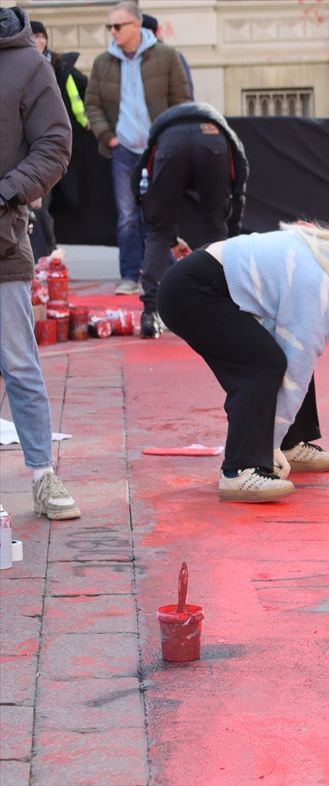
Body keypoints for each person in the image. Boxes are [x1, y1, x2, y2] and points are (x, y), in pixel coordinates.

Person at [156, 223, 329, 503]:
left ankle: (290, 443)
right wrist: (270, 447)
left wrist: (277, 443)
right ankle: (240, 471)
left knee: (288, 354)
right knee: (264, 365)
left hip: (198, 283)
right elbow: (295, 372)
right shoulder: (321, 291)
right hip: (191, 292)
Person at [0, 6, 79, 521]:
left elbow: (55, 144)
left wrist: (5, 192)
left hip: (0, 243)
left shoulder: (28, 63)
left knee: (19, 364)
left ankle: (42, 475)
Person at [84, 0, 191, 296]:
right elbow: (91, 105)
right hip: (123, 151)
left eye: (117, 26)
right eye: (110, 26)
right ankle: (130, 276)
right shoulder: (102, 61)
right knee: (128, 217)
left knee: (161, 214)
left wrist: (169, 140)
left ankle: (164, 277)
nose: (112, 31)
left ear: (135, 26)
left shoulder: (168, 56)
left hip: (159, 150)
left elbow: (182, 102)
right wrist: (109, 137)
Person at [132, 102, 249, 338]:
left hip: (169, 141)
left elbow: (138, 183)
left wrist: (162, 228)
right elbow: (240, 183)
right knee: (216, 230)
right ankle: (220, 307)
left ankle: (150, 314)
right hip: (213, 139)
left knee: (158, 231)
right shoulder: (220, 128)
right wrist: (231, 235)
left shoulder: (163, 129)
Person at [28, 19, 88, 260]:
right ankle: (44, 255)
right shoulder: (21, 65)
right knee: (36, 203)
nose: (40, 41)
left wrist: (87, 124)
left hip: (51, 143)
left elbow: (75, 100)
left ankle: (48, 254)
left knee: (41, 201)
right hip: (31, 143)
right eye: (35, 36)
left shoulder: (59, 67)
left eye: (43, 36)